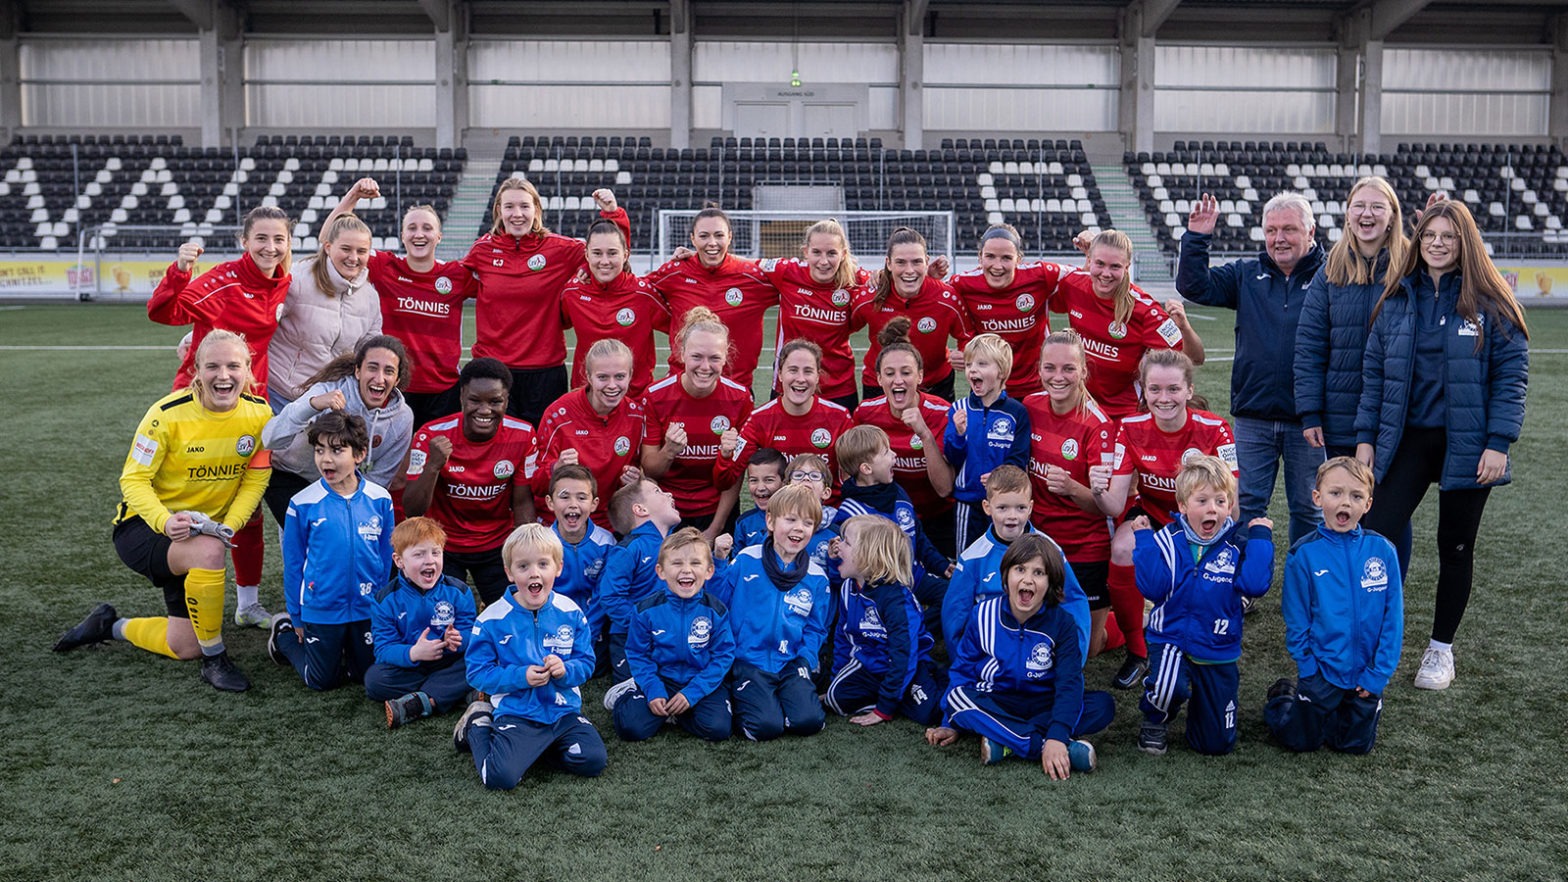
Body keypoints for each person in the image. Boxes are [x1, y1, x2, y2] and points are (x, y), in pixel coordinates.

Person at [1356, 200, 1529, 691]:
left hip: (1469, 444)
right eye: (1429, 234)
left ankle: (1440, 651)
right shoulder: (1397, 298)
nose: (1436, 243)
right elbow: (1374, 377)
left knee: (1454, 546)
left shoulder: (1492, 302)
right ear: (1418, 240)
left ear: (1464, 243)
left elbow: (1511, 378)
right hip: (1408, 439)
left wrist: (1498, 443)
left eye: (1448, 236)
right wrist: (1366, 438)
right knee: (1377, 533)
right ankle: (1374, 637)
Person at [54, 331, 273, 692]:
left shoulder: (261, 415)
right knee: (209, 551)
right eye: (212, 366)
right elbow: (134, 480)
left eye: (234, 366)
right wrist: (165, 521)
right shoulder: (165, 415)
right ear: (196, 371)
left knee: (183, 646)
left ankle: (109, 625)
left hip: (201, 535)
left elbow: (256, 479)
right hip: (146, 528)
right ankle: (215, 659)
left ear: (248, 369)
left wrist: (229, 526)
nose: (223, 375)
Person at [145, 205, 292, 628]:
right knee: (191, 503)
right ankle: (185, 604)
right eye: (260, 238)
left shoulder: (284, 283)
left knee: (245, 507)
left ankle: (247, 606)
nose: (270, 247)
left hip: (249, 408)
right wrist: (180, 270)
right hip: (201, 404)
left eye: (278, 239)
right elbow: (163, 312)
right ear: (243, 241)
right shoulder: (224, 280)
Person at [1177, 191, 1326, 546]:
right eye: (1271, 229)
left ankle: (1305, 589)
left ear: (1311, 231)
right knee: (1244, 505)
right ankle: (1242, 588)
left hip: (1310, 419)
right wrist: (1197, 239)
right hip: (1253, 416)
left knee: (1309, 507)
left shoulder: (1331, 275)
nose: (1279, 238)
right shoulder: (1247, 274)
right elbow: (1195, 286)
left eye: (1289, 229)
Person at [1295, 177, 1417, 565]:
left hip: (1398, 414)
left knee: (1393, 511)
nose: (1367, 214)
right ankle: (1349, 591)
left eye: (1377, 206)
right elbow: (1310, 346)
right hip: (1341, 416)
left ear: (1392, 215)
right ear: (1347, 214)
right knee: (1347, 504)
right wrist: (1311, 411)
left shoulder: (1410, 268)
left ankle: (1387, 589)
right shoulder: (1330, 271)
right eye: (1359, 206)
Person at [1100, 349, 1238, 690]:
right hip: (1153, 514)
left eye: (1173, 389)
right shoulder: (1129, 428)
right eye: (1155, 389)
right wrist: (1091, 485)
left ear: (1189, 390)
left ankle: (1205, 643)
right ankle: (1137, 650)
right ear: (1143, 391)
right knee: (1120, 549)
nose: (1164, 398)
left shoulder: (1215, 429)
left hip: (1199, 520)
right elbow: (1115, 501)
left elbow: (1231, 507)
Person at [925, 534, 1112, 778]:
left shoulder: (1063, 623)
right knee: (957, 700)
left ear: (1051, 582)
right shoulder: (982, 615)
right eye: (1020, 569)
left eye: (1039, 573)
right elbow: (963, 671)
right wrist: (949, 724)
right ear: (1006, 576)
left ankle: (1004, 741)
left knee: (1102, 706)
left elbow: (1069, 682)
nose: (1027, 579)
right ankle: (1038, 745)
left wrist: (1058, 732)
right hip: (997, 699)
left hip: (1045, 701)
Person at [1132, 456, 1274, 756]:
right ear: (1183, 506)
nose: (1213, 508)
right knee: (1170, 687)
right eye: (1203, 500)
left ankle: (1204, 709)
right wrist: (1144, 541)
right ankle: (1156, 716)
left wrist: (1261, 537)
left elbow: (1255, 585)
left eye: (1221, 501)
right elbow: (1152, 588)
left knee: (1215, 745)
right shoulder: (1167, 540)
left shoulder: (1237, 544)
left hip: (1216, 645)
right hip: (1170, 638)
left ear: (1230, 506)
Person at [461, 180, 628, 425]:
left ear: (536, 210)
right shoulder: (482, 251)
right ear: (499, 211)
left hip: (544, 373)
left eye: (524, 206)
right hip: (493, 373)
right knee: (494, 451)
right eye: (509, 207)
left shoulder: (561, 249)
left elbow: (612, 254)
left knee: (543, 449)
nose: (517, 214)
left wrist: (613, 214)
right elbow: (453, 285)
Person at [453, 524, 606, 790]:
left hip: (563, 713)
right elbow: (477, 674)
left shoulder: (571, 612)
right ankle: (478, 725)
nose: (534, 573)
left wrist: (565, 670)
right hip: (517, 714)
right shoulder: (491, 619)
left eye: (543, 564)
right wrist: (520, 676)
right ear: (509, 573)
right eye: (523, 567)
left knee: (592, 761)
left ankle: (531, 752)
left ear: (557, 568)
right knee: (500, 779)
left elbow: (586, 663)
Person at [1265, 457, 1402, 754]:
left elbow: (1393, 620)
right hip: (1321, 672)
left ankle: (1339, 715)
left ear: (1367, 504)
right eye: (1335, 493)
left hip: (1366, 673)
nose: (1345, 503)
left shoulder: (1383, 551)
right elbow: (1296, 618)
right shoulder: (1304, 554)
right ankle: (1283, 697)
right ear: (1318, 498)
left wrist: (1378, 674)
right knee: (1299, 742)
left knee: (1354, 747)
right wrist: (1308, 668)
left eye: (1356, 496)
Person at [269, 412, 395, 692]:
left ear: (359, 454)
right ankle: (284, 636)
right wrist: (296, 615)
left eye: (337, 450)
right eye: (319, 450)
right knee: (321, 681)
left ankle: (344, 649)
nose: (326, 459)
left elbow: (385, 558)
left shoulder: (380, 499)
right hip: (321, 610)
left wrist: (380, 602)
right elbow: (293, 565)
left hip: (365, 608)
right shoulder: (302, 504)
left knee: (362, 675)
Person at [403, 357, 536, 605]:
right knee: (443, 621)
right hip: (443, 546)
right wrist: (433, 465)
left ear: (507, 400)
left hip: (496, 545)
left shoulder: (524, 435)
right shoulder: (430, 435)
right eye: (475, 400)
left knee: (514, 613)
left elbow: (522, 501)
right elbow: (412, 509)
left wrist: (523, 554)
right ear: (462, 397)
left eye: (495, 401)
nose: (485, 410)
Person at [710, 483, 832, 741]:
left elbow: (816, 627)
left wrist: (807, 658)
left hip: (790, 662)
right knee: (766, 727)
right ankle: (746, 699)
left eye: (808, 523)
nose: (799, 528)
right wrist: (719, 561)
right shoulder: (747, 558)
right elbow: (718, 601)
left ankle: (784, 699)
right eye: (791, 520)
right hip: (749, 660)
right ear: (771, 521)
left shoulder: (817, 577)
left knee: (809, 721)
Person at [1022, 330, 1117, 655]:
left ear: (1084, 371)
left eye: (1068, 368)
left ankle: (1130, 622)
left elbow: (1106, 508)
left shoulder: (1098, 426)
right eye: (1050, 368)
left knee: (1087, 649)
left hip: (1085, 544)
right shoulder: (1030, 406)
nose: (1058, 377)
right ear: (1039, 370)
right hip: (1037, 539)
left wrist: (1073, 488)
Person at [260, 334, 414, 527]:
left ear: (397, 379)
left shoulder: (402, 417)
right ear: (358, 371)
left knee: (341, 540)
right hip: (291, 476)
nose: (380, 378)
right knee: (311, 543)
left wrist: (354, 508)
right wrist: (314, 404)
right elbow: (270, 439)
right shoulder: (329, 390)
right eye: (372, 368)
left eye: (389, 371)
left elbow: (380, 478)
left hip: (340, 483)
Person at [940, 466, 1091, 660]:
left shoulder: (1050, 550)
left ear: (1030, 508)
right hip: (992, 649)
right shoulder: (973, 558)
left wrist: (1074, 656)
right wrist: (966, 663)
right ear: (987, 507)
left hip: (1039, 645)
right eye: (1003, 508)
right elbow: (955, 615)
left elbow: (1073, 600)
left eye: (1020, 508)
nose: (1012, 516)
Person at [1057, 229, 1202, 419]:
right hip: (1078, 407)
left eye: (1115, 266)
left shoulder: (1145, 310)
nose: (1106, 274)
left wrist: (1185, 328)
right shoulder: (1072, 284)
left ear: (1127, 267)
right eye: (1100, 264)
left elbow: (1195, 358)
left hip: (1122, 414)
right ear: (1089, 261)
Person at [610, 527, 736, 742]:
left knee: (718, 729)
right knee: (631, 728)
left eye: (695, 563)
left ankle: (675, 713)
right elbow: (637, 654)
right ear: (660, 571)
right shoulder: (645, 610)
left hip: (699, 680)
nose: (686, 570)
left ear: (709, 571)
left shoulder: (716, 611)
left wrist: (693, 693)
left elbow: (723, 656)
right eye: (677, 563)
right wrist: (653, 688)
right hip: (661, 679)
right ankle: (627, 693)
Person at [641, 307, 754, 540]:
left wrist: (714, 529)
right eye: (696, 357)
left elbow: (734, 476)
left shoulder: (740, 399)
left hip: (717, 511)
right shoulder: (655, 396)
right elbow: (651, 470)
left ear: (725, 357)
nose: (705, 367)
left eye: (714, 358)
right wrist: (669, 451)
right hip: (668, 510)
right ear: (682, 354)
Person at [824, 516, 946, 726]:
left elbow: (903, 653)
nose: (838, 545)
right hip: (869, 667)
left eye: (846, 542)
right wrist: (838, 675)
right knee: (835, 698)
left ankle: (933, 682)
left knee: (929, 714)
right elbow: (843, 638)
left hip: (909, 667)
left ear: (869, 557)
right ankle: (890, 696)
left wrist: (884, 709)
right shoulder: (848, 587)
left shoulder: (896, 601)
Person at [852, 318, 956, 556]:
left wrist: (924, 434)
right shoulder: (866, 413)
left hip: (937, 518)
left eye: (906, 373)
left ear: (920, 376)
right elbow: (853, 478)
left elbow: (944, 489)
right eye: (889, 373)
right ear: (879, 379)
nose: (898, 380)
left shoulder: (942, 413)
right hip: (886, 516)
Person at [830, 425, 951, 630]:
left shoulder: (897, 492)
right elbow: (849, 568)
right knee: (890, 615)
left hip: (914, 577)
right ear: (867, 468)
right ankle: (899, 630)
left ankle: (915, 628)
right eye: (886, 452)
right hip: (880, 590)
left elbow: (917, 535)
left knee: (953, 597)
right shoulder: (850, 515)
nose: (894, 454)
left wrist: (941, 566)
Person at [646, 204, 777, 384]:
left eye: (719, 235)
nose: (712, 242)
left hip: (735, 389)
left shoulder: (752, 277)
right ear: (693, 239)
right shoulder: (675, 272)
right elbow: (635, 289)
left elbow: (795, 282)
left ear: (730, 237)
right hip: (682, 385)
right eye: (704, 236)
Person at [367, 516, 478, 729]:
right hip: (412, 667)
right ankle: (452, 692)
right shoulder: (385, 600)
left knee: (479, 659)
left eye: (435, 552)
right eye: (419, 554)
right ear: (399, 561)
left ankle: (421, 702)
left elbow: (472, 631)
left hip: (450, 660)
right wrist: (413, 653)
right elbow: (383, 649)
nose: (429, 560)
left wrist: (460, 639)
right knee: (374, 681)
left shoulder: (459, 591)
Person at [267, 213, 382, 411]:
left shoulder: (370, 297)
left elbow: (369, 348)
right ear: (328, 247)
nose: (353, 258)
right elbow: (259, 320)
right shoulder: (299, 278)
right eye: (345, 249)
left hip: (327, 400)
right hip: (279, 394)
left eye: (361, 251)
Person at [530, 338, 646, 530]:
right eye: (602, 377)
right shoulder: (558, 414)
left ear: (630, 375)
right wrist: (555, 468)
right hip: (561, 523)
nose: (612, 385)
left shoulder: (636, 415)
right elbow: (535, 484)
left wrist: (636, 480)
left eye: (619, 377)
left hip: (611, 523)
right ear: (588, 375)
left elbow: (646, 473)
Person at [716, 338, 853, 499]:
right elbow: (725, 480)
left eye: (808, 371)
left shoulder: (840, 417)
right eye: (793, 370)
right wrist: (725, 456)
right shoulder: (759, 419)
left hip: (827, 514)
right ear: (780, 374)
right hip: (778, 514)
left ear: (817, 376)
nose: (800, 379)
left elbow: (854, 478)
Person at [758, 219, 873, 411]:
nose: (824, 261)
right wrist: (697, 255)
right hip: (790, 382)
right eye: (817, 252)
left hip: (839, 387)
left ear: (843, 254)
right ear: (806, 252)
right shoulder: (787, 271)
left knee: (841, 442)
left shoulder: (857, 279)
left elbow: (896, 279)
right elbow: (739, 265)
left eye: (832, 253)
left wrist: (927, 272)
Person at [850, 226, 971, 401]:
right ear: (888, 263)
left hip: (935, 385)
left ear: (927, 262)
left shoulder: (947, 298)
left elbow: (967, 336)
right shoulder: (869, 297)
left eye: (916, 262)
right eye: (900, 262)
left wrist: (966, 353)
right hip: (880, 384)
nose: (909, 270)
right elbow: (841, 327)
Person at [947, 224, 1064, 396]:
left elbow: (1084, 279)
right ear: (980, 258)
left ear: (1019, 259)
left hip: (1037, 386)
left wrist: (1091, 252)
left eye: (1006, 258)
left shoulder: (1041, 275)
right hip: (988, 387)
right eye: (990, 256)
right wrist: (955, 353)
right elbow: (934, 303)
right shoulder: (962, 284)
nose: (997, 266)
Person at [560, 218, 670, 397]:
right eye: (597, 253)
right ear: (587, 255)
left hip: (635, 399)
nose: (605, 261)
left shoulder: (644, 295)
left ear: (625, 255)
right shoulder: (572, 292)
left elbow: (678, 329)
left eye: (612, 253)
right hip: (586, 398)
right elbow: (559, 322)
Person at [943, 332, 1030, 551]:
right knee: (967, 556)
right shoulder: (958, 409)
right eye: (970, 364)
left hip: (1004, 502)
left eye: (982, 364)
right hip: (968, 502)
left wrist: (1000, 477)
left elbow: (1019, 457)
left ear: (1001, 371)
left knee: (1006, 556)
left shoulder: (1016, 412)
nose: (973, 370)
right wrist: (959, 435)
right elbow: (952, 458)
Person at [599, 479, 684, 683]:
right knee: (638, 689)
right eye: (658, 491)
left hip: (672, 634)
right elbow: (611, 597)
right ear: (640, 509)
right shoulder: (628, 549)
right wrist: (642, 626)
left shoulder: (679, 545)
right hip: (630, 638)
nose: (669, 494)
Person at [545, 464, 615, 645]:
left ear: (594, 504)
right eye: (564, 497)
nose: (573, 504)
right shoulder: (542, 543)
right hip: (553, 621)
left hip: (595, 620)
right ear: (550, 502)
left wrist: (588, 632)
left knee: (597, 664)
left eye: (582, 497)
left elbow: (604, 594)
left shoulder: (606, 543)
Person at [733, 448, 788, 554]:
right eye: (753, 480)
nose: (761, 487)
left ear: (784, 482)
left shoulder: (796, 519)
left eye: (769, 480)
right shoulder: (744, 523)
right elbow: (737, 562)